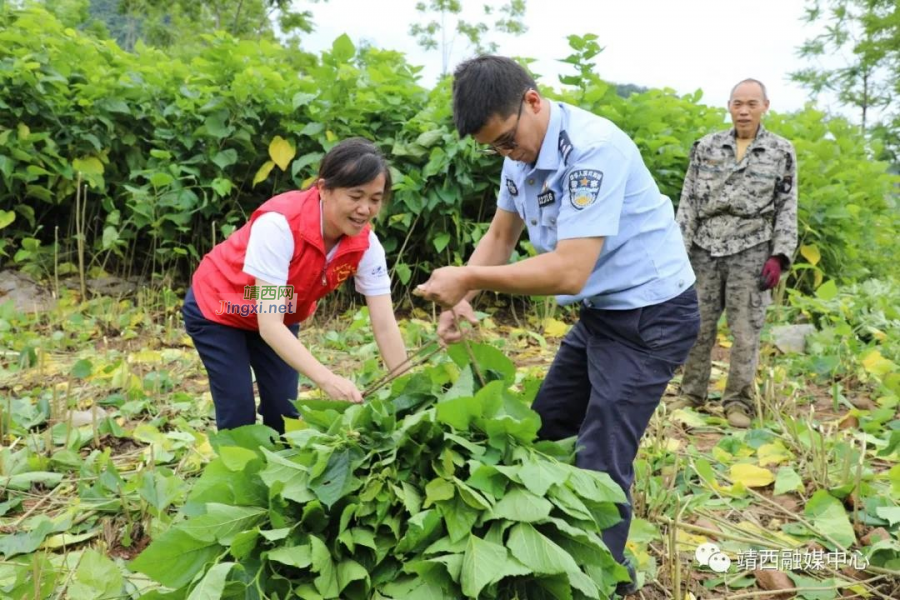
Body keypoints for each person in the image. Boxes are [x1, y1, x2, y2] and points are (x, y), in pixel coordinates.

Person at [415, 55, 701, 596]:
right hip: (603, 312)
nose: (506, 153)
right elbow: (500, 237)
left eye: (506, 140)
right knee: (545, 429)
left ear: (532, 101)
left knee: (601, 455)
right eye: (493, 148)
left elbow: (570, 271)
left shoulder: (594, 151)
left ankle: (606, 581)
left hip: (651, 316)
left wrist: (468, 276)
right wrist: (462, 299)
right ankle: (554, 557)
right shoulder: (517, 156)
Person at [182, 138, 407, 434]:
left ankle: (279, 472)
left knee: (285, 414)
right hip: (220, 308)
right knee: (238, 412)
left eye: (375, 199)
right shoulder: (281, 226)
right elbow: (270, 326)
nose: (365, 209)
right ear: (323, 189)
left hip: (277, 314)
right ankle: (239, 474)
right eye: (355, 196)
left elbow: (385, 324)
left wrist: (407, 388)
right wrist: (328, 380)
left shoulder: (366, 246)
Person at [672, 79, 798, 429]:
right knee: (698, 325)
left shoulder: (780, 150)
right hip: (705, 246)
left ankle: (738, 401)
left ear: (765, 106)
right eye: (738, 103)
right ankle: (691, 393)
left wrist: (780, 255)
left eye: (752, 104)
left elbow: (787, 205)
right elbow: (689, 202)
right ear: (729, 106)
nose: (744, 110)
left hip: (752, 246)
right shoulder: (706, 146)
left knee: (746, 331)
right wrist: (679, 252)